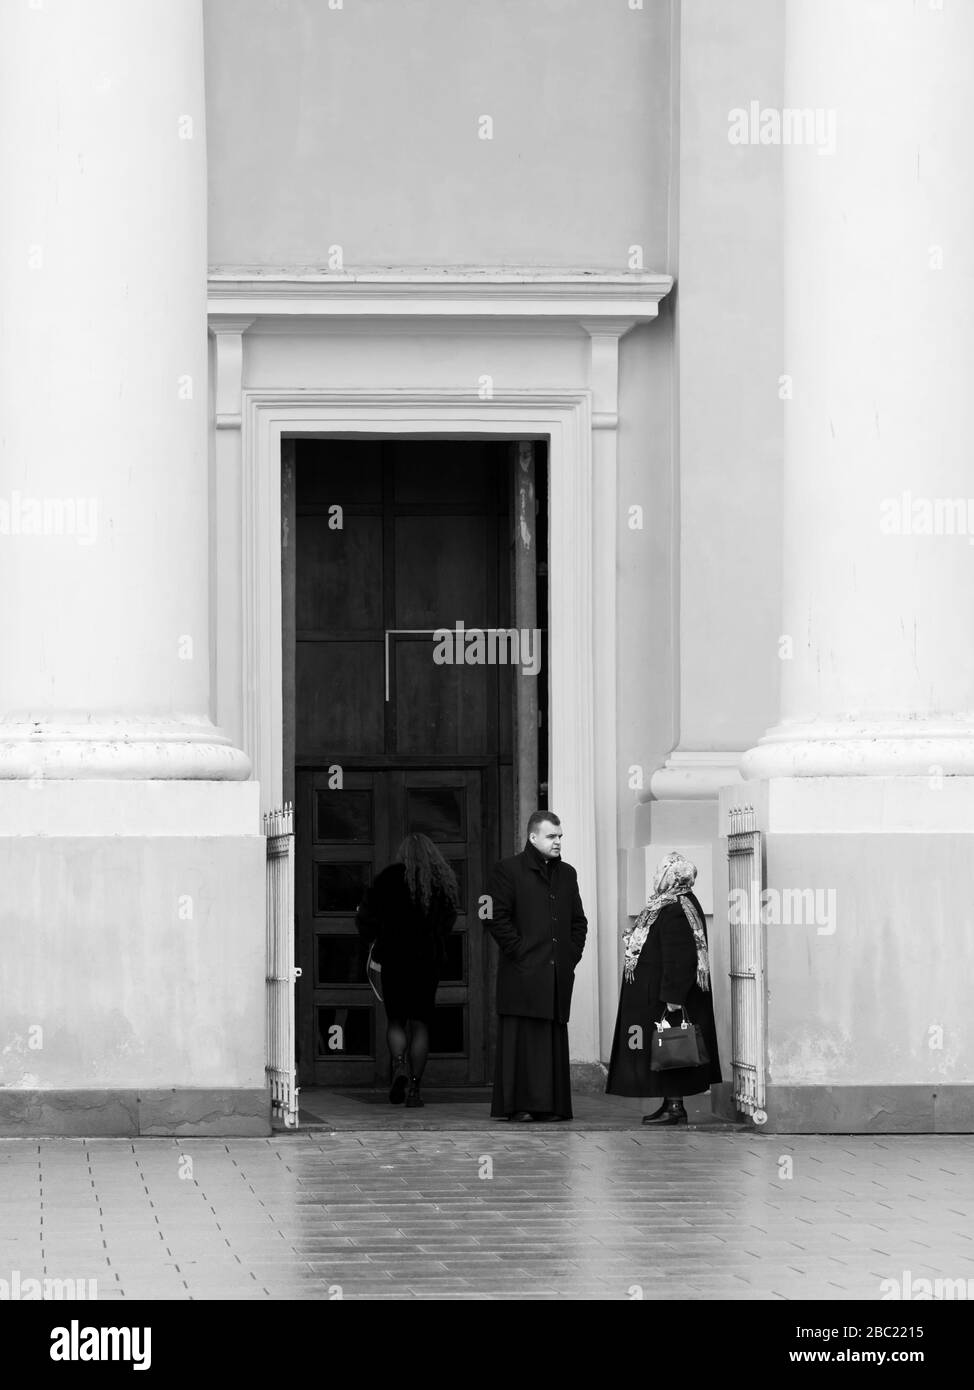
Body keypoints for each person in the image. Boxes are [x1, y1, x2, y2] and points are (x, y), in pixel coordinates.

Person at [606, 851, 721, 1126]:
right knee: (667, 1051)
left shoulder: (677, 908)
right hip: (660, 993)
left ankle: (674, 1106)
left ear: (672, 876)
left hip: (668, 996)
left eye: (661, 872)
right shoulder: (669, 904)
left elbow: (680, 957)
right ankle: (670, 1104)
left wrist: (672, 997)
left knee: (672, 1050)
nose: (657, 876)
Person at [485, 811, 588, 1122]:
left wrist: (571, 955)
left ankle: (552, 1106)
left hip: (556, 974)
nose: (557, 842)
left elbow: (578, 921)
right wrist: (520, 952)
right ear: (533, 838)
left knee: (550, 1042)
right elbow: (493, 916)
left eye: (559, 836)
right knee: (522, 1042)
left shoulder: (567, 874)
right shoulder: (508, 870)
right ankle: (521, 1106)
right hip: (521, 975)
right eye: (551, 836)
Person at [355, 832, 459, 1109]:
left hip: (395, 959)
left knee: (396, 1021)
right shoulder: (442, 882)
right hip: (428, 962)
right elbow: (449, 922)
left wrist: (375, 939)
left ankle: (399, 1065)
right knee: (421, 1023)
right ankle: (414, 1088)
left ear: (402, 853)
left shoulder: (388, 878)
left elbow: (365, 918)